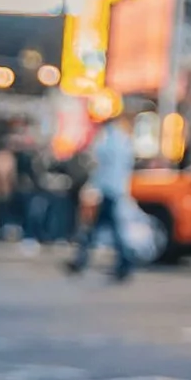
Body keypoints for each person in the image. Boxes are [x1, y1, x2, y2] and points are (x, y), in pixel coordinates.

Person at [67, 109, 138, 280]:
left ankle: (122, 262)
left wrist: (94, 186)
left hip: (107, 190)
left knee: (102, 228)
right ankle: (85, 260)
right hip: (115, 189)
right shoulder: (124, 141)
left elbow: (99, 164)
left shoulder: (108, 140)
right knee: (101, 228)